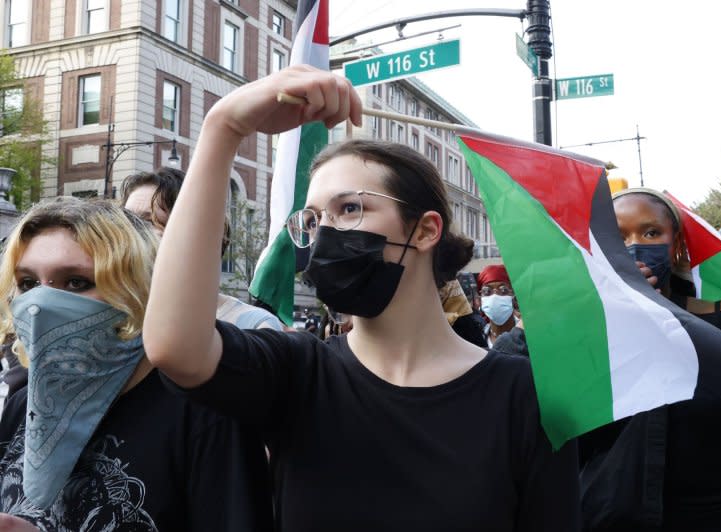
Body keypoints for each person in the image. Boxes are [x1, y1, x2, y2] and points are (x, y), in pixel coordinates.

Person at [143, 65, 580, 531]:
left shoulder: (525, 397)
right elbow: (175, 346)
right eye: (312, 220)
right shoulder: (299, 372)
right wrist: (224, 127)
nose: (324, 231)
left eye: (350, 208)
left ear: (427, 229)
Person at [0, 197, 270, 530]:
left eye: (76, 282)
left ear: (137, 289)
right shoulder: (23, 406)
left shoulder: (205, 415)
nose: (40, 304)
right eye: (28, 284)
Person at [577, 187, 721, 531]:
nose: (634, 246)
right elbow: (565, 443)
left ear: (677, 243)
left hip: (711, 518)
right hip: (608, 518)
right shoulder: (587, 332)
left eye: (651, 232)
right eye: (618, 237)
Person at [121, 167, 283, 331]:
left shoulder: (255, 325)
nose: (128, 232)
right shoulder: (110, 312)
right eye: (125, 221)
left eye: (146, 221)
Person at [477, 264, 519, 347]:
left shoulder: (528, 335)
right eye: (487, 291)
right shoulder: (477, 338)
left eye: (503, 290)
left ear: (513, 295)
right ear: (480, 298)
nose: (494, 297)